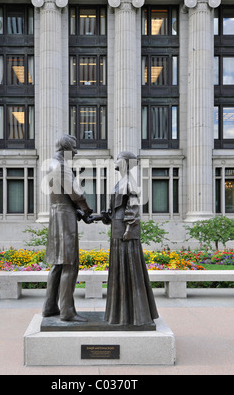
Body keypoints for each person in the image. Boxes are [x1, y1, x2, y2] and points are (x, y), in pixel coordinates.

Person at [101, 152, 159, 326]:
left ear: (125, 162)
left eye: (118, 158)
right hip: (118, 229)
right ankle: (122, 314)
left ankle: (133, 315)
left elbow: (133, 209)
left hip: (124, 233)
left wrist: (129, 229)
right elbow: (116, 209)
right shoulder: (121, 182)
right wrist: (105, 217)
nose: (115, 160)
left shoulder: (129, 182)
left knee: (128, 270)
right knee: (120, 271)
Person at [42, 134, 93, 322]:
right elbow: (76, 193)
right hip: (64, 218)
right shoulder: (61, 166)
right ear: (66, 148)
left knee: (57, 264)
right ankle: (67, 311)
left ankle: (49, 306)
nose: (76, 152)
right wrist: (86, 210)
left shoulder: (51, 164)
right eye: (74, 148)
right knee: (70, 264)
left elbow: (63, 195)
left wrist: (78, 213)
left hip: (57, 214)